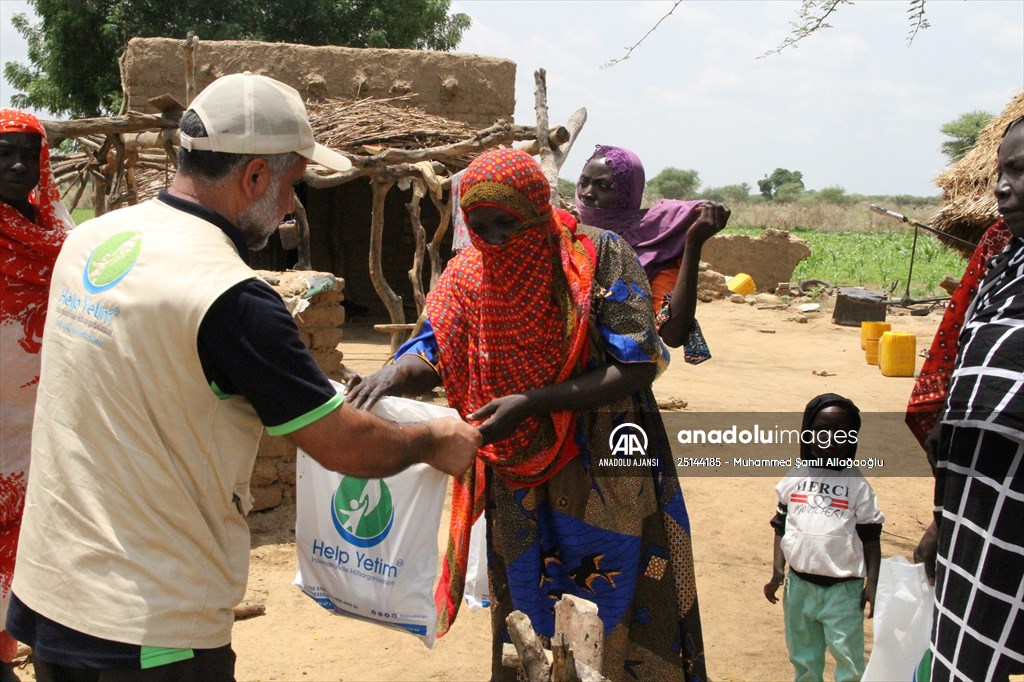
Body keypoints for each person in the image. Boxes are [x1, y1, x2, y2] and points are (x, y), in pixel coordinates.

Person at [6, 73, 480, 679]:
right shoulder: (231, 298)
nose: (292, 205)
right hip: (150, 627)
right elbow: (343, 443)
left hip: (51, 596)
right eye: (292, 185)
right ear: (254, 175)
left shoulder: (89, 243)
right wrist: (435, 440)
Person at [347, 147, 706, 681]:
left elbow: (638, 364)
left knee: (610, 610)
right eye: (481, 226)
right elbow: (433, 350)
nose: (493, 241)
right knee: (524, 610)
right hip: (514, 470)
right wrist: (390, 376)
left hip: (603, 463)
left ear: (537, 212)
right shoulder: (468, 273)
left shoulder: (596, 257)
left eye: (506, 225)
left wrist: (535, 401)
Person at [916, 115, 1024, 682]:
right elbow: (959, 403)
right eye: (1002, 170)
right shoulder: (1002, 259)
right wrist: (942, 521)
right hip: (973, 517)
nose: (1002, 186)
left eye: (1021, 170)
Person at [0, 108, 74, 680]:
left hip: (50, 423)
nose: (19, 164)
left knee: (42, 545)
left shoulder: (63, 238)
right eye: (4, 153)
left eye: (29, 152)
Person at [763, 393, 884, 682]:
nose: (830, 439)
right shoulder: (795, 478)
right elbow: (781, 527)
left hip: (844, 593)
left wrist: (873, 585)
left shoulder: (857, 485)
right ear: (808, 433)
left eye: (841, 433)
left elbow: (871, 538)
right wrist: (777, 572)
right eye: (822, 431)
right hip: (799, 588)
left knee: (849, 660)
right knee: (803, 657)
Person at [575, 144, 729, 355]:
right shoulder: (565, 233)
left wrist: (692, 244)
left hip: (616, 377)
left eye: (602, 187)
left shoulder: (653, 250)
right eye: (583, 183)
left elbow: (674, 335)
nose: (587, 194)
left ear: (627, 194)